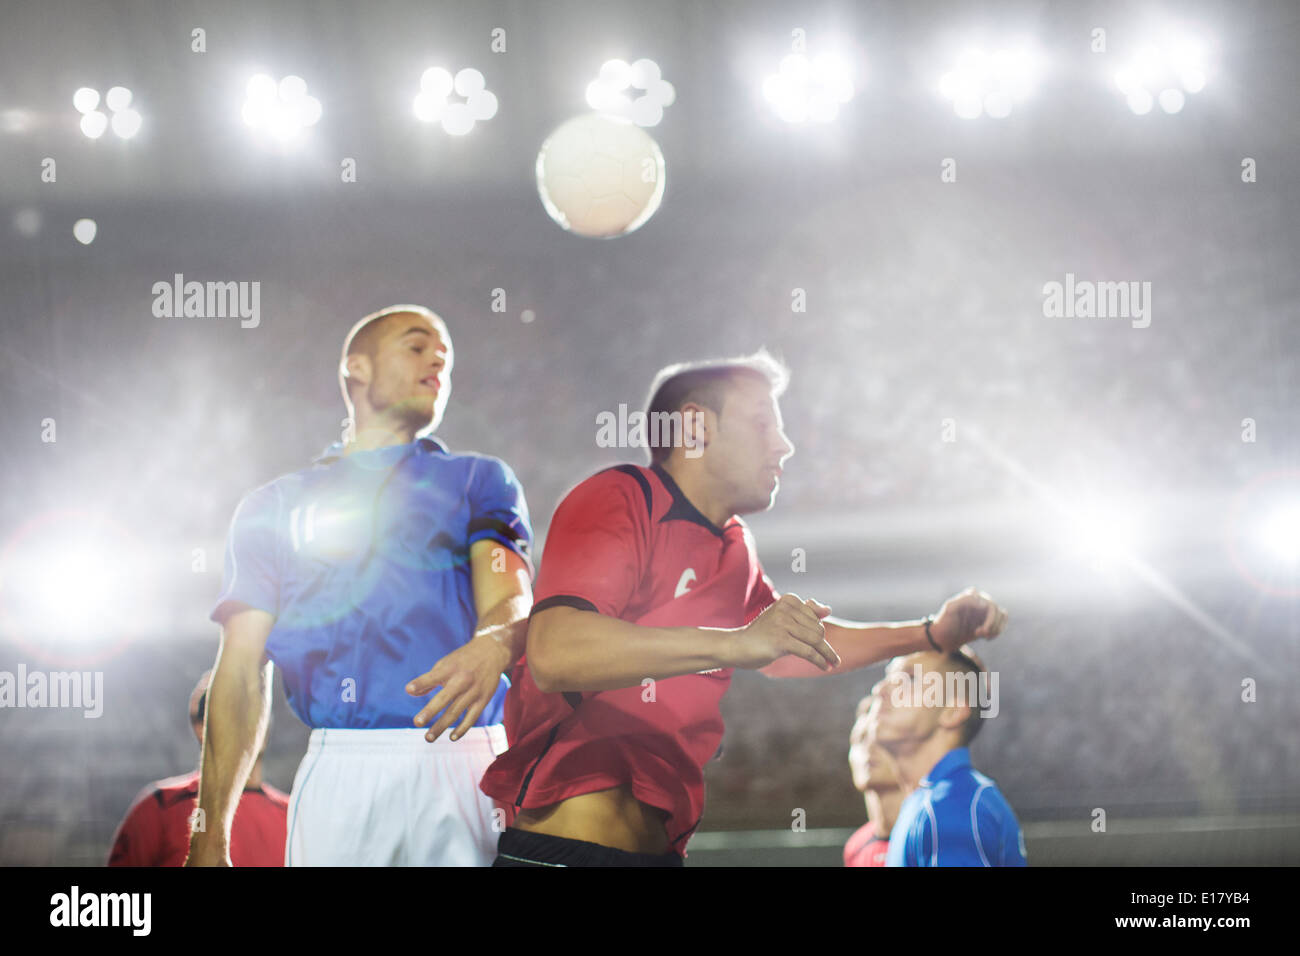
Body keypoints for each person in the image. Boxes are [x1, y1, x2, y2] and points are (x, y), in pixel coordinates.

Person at [479, 350, 1008, 866]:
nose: (784, 446)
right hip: (567, 852)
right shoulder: (620, 496)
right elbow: (555, 652)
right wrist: (738, 642)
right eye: (762, 425)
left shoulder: (735, 545)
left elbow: (791, 647)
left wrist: (929, 635)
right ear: (695, 426)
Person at [186, 305, 533, 867]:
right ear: (358, 367)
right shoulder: (271, 507)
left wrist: (495, 641)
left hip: (466, 753)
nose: (437, 361)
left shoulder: (480, 479)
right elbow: (241, 671)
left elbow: (510, 596)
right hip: (339, 765)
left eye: (445, 357)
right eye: (417, 346)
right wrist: (209, 835)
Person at [868, 646, 1027, 866]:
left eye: (909, 679)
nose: (880, 689)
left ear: (952, 712)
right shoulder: (927, 802)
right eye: (888, 679)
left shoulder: (951, 809)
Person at [108, 671, 288, 867]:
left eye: (257, 706)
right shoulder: (160, 806)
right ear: (201, 726)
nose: (251, 720)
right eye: (236, 708)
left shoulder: (292, 814)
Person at [844, 693, 903, 867]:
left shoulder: (935, 835)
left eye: (879, 738)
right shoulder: (856, 846)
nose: (868, 748)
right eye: (860, 739)